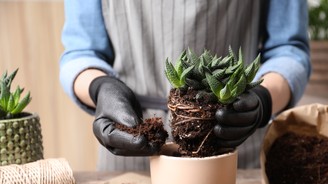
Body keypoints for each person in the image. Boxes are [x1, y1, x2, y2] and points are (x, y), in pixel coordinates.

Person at [60, 0, 311, 172]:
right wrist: (100, 87)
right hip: (131, 143)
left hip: (233, 138)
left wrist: (263, 100)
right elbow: (82, 51)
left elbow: (288, 50)